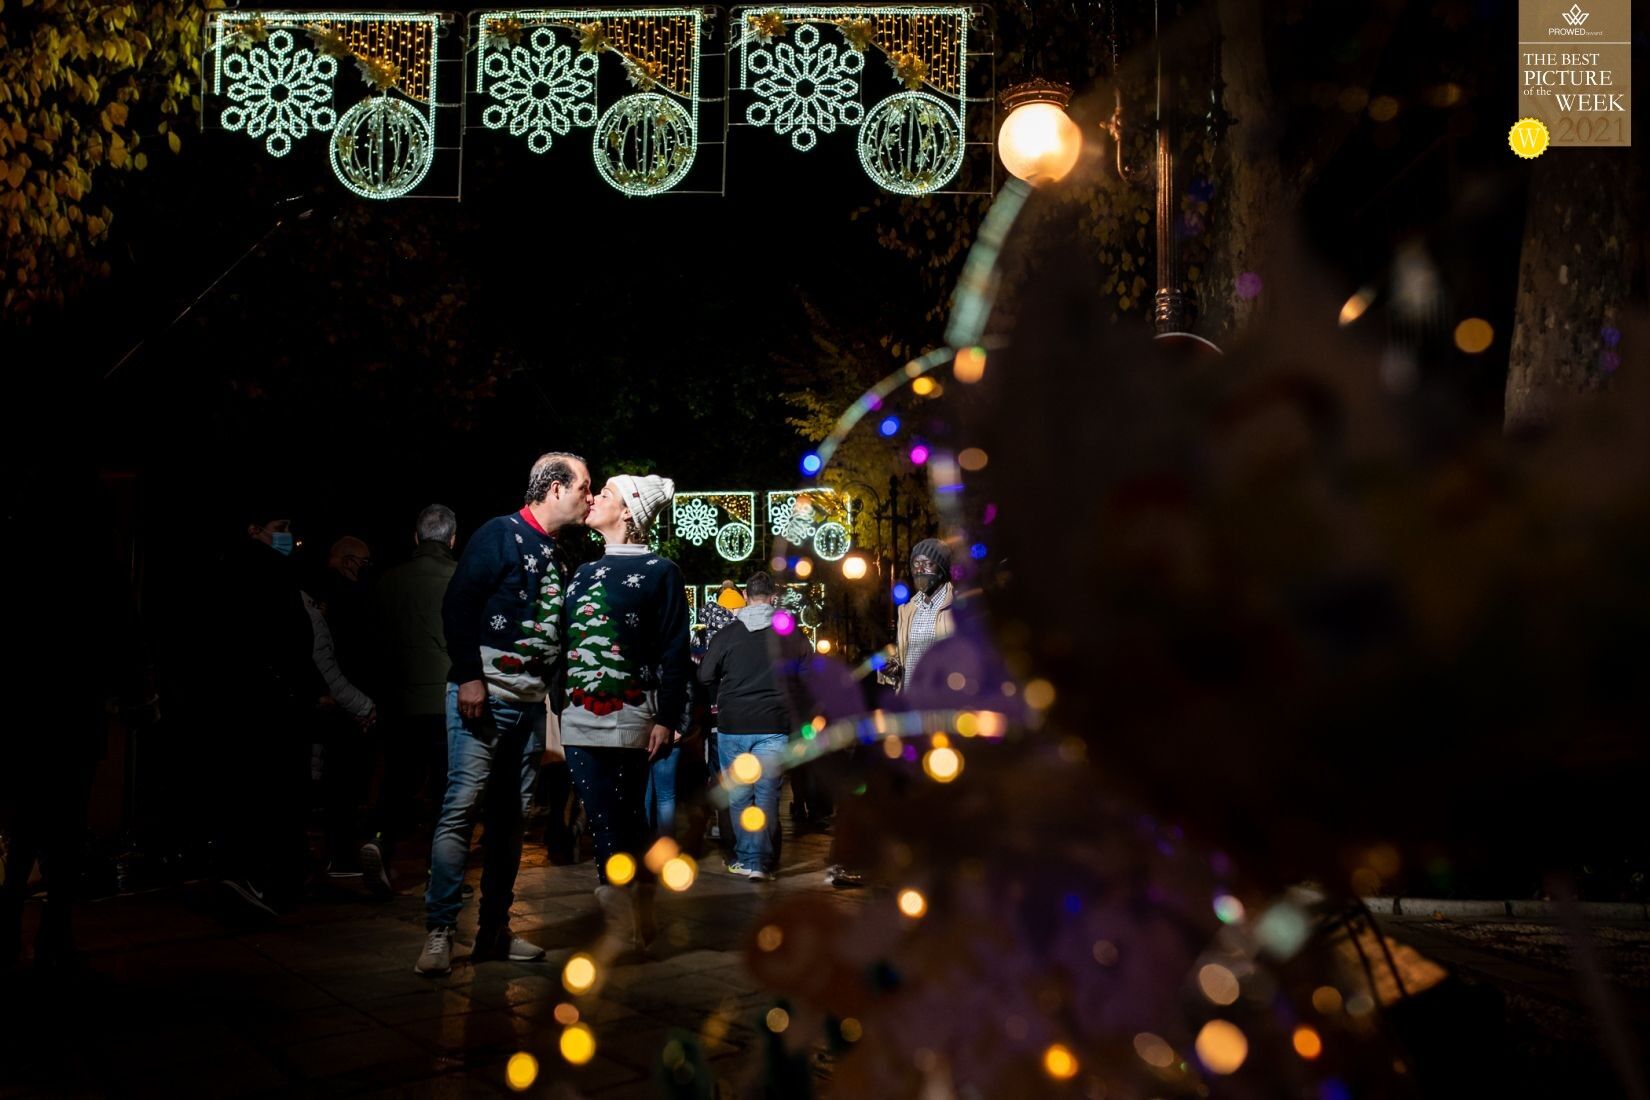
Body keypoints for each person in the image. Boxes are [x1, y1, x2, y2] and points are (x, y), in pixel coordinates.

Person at [415, 454, 593, 977]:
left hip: (528, 704)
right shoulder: (500, 534)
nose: (589, 495)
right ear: (555, 488)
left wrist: (555, 704)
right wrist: (469, 674)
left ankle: (495, 931)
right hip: (484, 695)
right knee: (461, 806)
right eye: (584, 486)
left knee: (511, 821)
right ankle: (441, 930)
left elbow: (556, 640)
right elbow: (459, 605)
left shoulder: (559, 557)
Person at [560, 473, 692, 959]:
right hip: (577, 713)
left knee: (626, 817)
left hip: (632, 712)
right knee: (600, 817)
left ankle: (633, 910)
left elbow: (676, 649)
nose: (593, 499)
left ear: (631, 513)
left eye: (607, 495)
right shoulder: (580, 572)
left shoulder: (661, 572)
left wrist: (669, 717)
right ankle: (624, 913)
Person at [219, 506, 333, 917]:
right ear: (255, 530)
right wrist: (305, 689)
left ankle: (249, 875)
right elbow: (290, 640)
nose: (288, 536)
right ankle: (276, 885)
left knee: (251, 791)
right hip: (277, 702)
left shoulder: (228, 571)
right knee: (282, 795)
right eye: (280, 528)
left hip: (247, 701)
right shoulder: (272, 571)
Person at [361, 505, 458, 895]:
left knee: (397, 781)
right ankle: (439, 871)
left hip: (397, 700)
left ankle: (380, 841)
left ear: (416, 538)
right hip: (445, 701)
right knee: (444, 789)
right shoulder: (458, 579)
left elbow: (372, 643)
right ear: (452, 539)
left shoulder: (388, 582)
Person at [698, 572, 814, 882]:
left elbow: (704, 674)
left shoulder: (728, 634)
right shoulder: (790, 634)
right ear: (774, 598)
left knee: (738, 796)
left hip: (733, 724)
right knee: (766, 796)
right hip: (774, 724)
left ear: (747, 598)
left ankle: (746, 858)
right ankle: (761, 862)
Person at [304, 535, 377, 880]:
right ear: (350, 562)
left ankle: (327, 854)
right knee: (343, 783)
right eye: (364, 562)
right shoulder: (348, 597)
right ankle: (340, 855)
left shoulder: (313, 591)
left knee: (328, 782)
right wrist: (361, 702)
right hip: (345, 701)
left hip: (326, 699)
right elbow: (342, 655)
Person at [893, 538, 956, 694]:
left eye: (927, 564)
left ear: (942, 570)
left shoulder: (958, 606)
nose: (920, 569)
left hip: (944, 702)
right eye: (915, 564)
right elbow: (901, 658)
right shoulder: (906, 611)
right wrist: (891, 668)